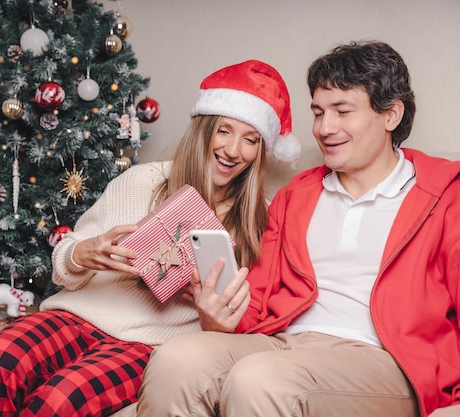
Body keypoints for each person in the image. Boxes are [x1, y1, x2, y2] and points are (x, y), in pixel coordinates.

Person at [0, 59, 301, 417]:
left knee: (59, 400)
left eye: (251, 140)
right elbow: (64, 264)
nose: (233, 150)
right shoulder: (144, 180)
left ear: (260, 151)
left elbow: (238, 321)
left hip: (146, 344)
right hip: (77, 316)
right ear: (204, 130)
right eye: (224, 131)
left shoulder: (260, 220)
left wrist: (211, 316)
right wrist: (82, 254)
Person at [136, 40, 460, 417]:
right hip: (285, 344)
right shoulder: (297, 195)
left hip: (385, 360)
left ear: (391, 115)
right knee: (176, 358)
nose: (324, 128)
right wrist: (218, 316)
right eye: (318, 112)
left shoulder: (444, 194)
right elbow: (255, 302)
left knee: (260, 379)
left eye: (342, 111)